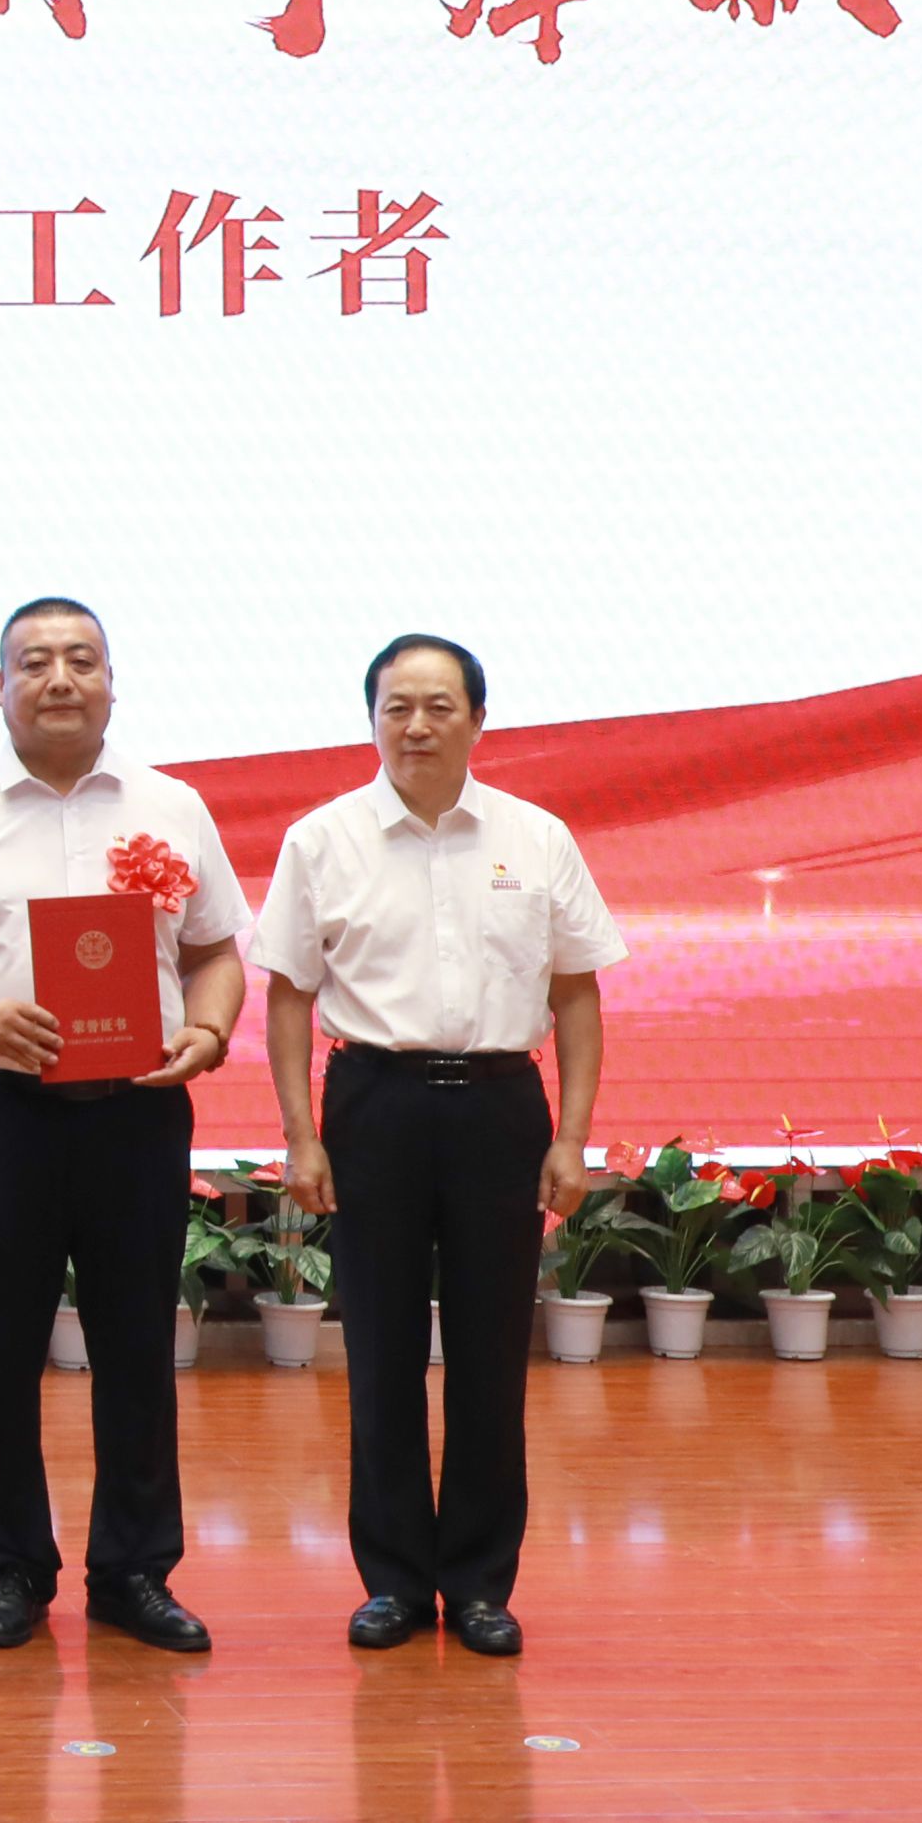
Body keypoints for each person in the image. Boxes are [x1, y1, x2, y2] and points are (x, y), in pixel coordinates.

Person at [0, 598, 248, 1655]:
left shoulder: (172, 806)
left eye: (81, 659)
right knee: (0, 1346)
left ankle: (134, 1571)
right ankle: (13, 1569)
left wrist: (209, 1029)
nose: (59, 679)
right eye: (33, 662)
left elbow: (216, 950)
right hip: (4, 1110)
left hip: (137, 1109)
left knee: (137, 1342)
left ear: (112, 682)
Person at [256, 633, 623, 1661]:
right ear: (372, 720)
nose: (416, 726)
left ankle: (478, 1584)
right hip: (373, 1103)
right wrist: (299, 1136)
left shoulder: (536, 837)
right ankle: (391, 1582)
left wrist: (573, 1136)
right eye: (397, 708)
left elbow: (577, 995)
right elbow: (287, 997)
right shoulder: (322, 840)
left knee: (490, 1356)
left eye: (438, 707)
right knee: (378, 1353)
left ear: (478, 720)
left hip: (500, 1108)